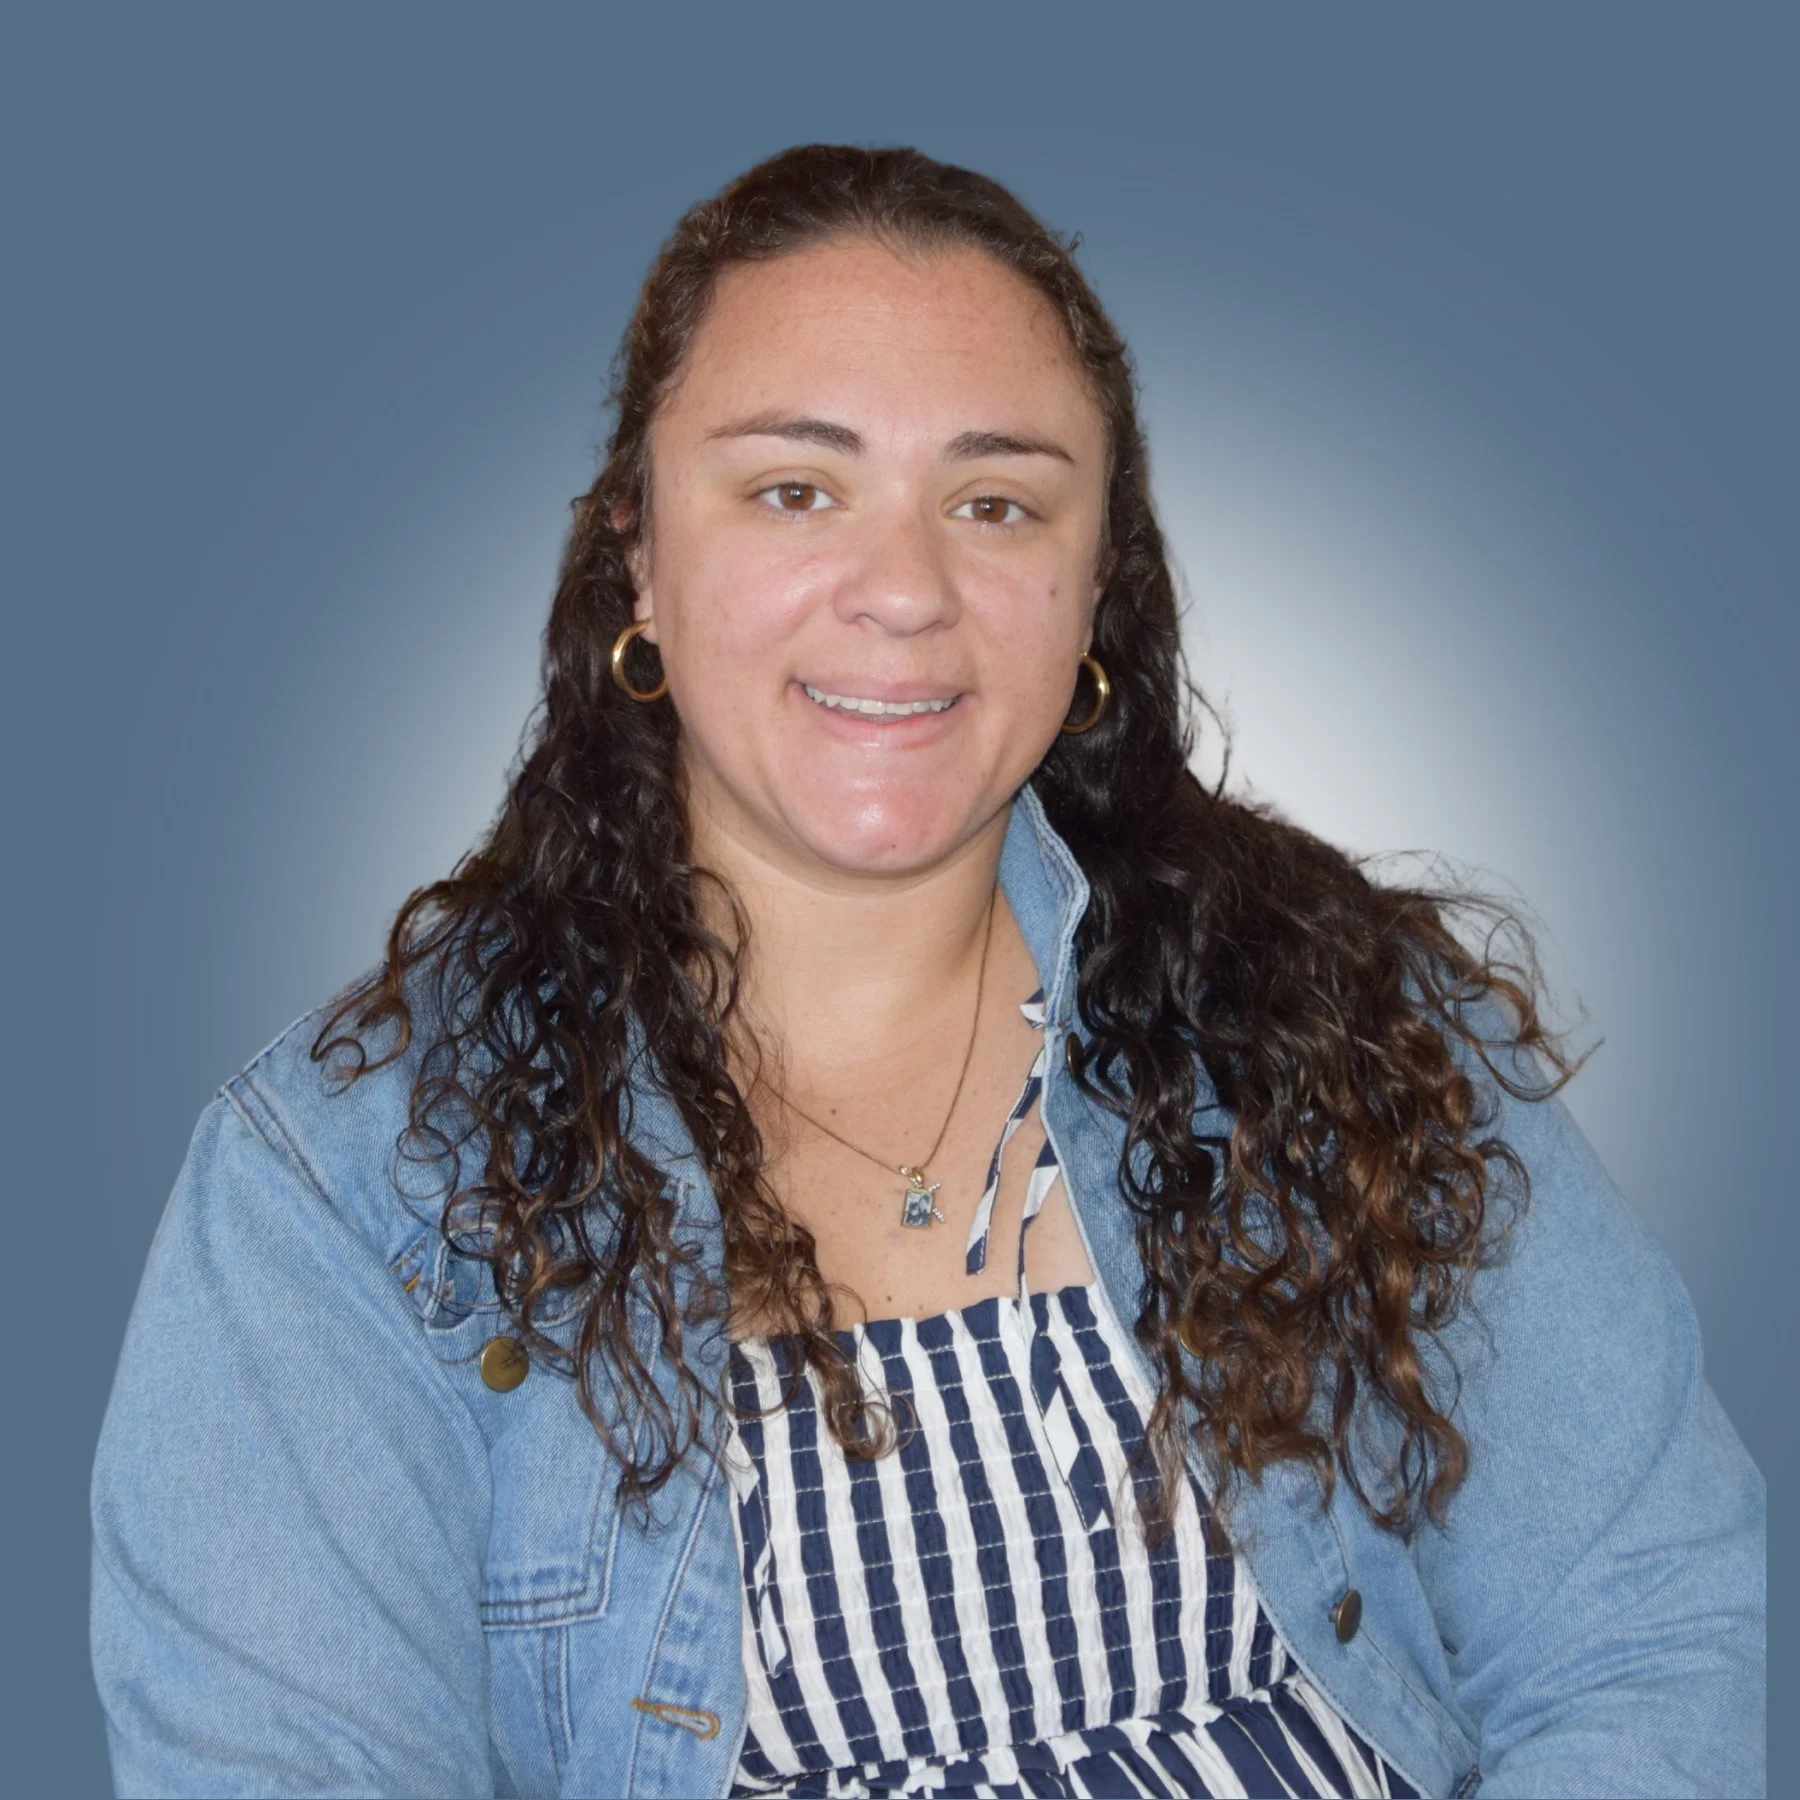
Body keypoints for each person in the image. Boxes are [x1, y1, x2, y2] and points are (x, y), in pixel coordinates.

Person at [90, 144, 1764, 1800]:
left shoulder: (1353, 1023)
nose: (904, 589)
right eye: (795, 488)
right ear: (639, 565)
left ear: (1092, 586)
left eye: (994, 502)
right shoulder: (343, 1192)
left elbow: (1648, 1626)